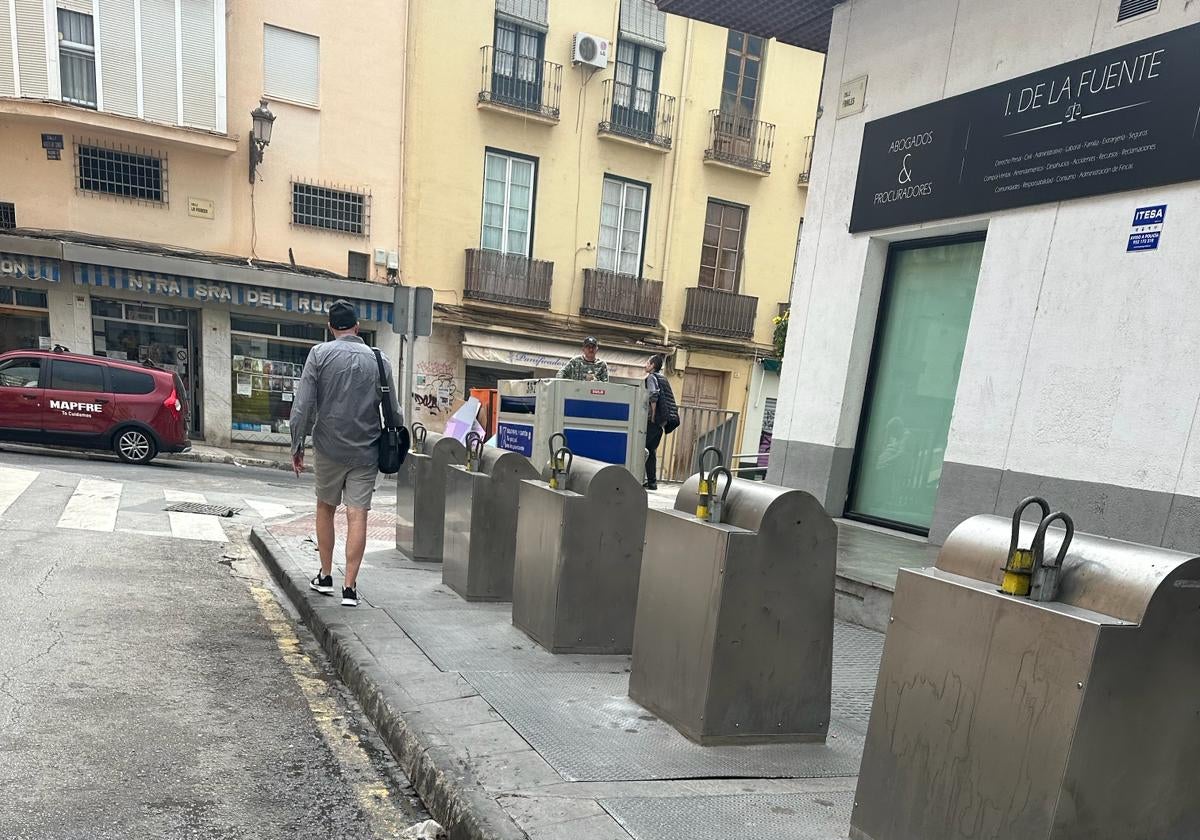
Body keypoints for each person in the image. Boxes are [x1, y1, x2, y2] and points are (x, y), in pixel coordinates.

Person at [289, 300, 402, 607]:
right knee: (358, 514)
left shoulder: (319, 354)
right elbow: (394, 412)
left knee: (325, 507)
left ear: (330, 327)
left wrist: (297, 444)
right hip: (366, 450)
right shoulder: (380, 361)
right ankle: (350, 587)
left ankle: (325, 576)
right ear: (357, 327)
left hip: (327, 448)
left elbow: (302, 406)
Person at [643, 354, 669, 490]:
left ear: (652, 366)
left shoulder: (652, 378)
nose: (645, 365)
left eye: (647, 363)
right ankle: (652, 482)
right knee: (651, 451)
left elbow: (653, 396)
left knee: (642, 450)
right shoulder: (662, 378)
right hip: (660, 422)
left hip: (653, 421)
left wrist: (652, 415)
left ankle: (640, 479)